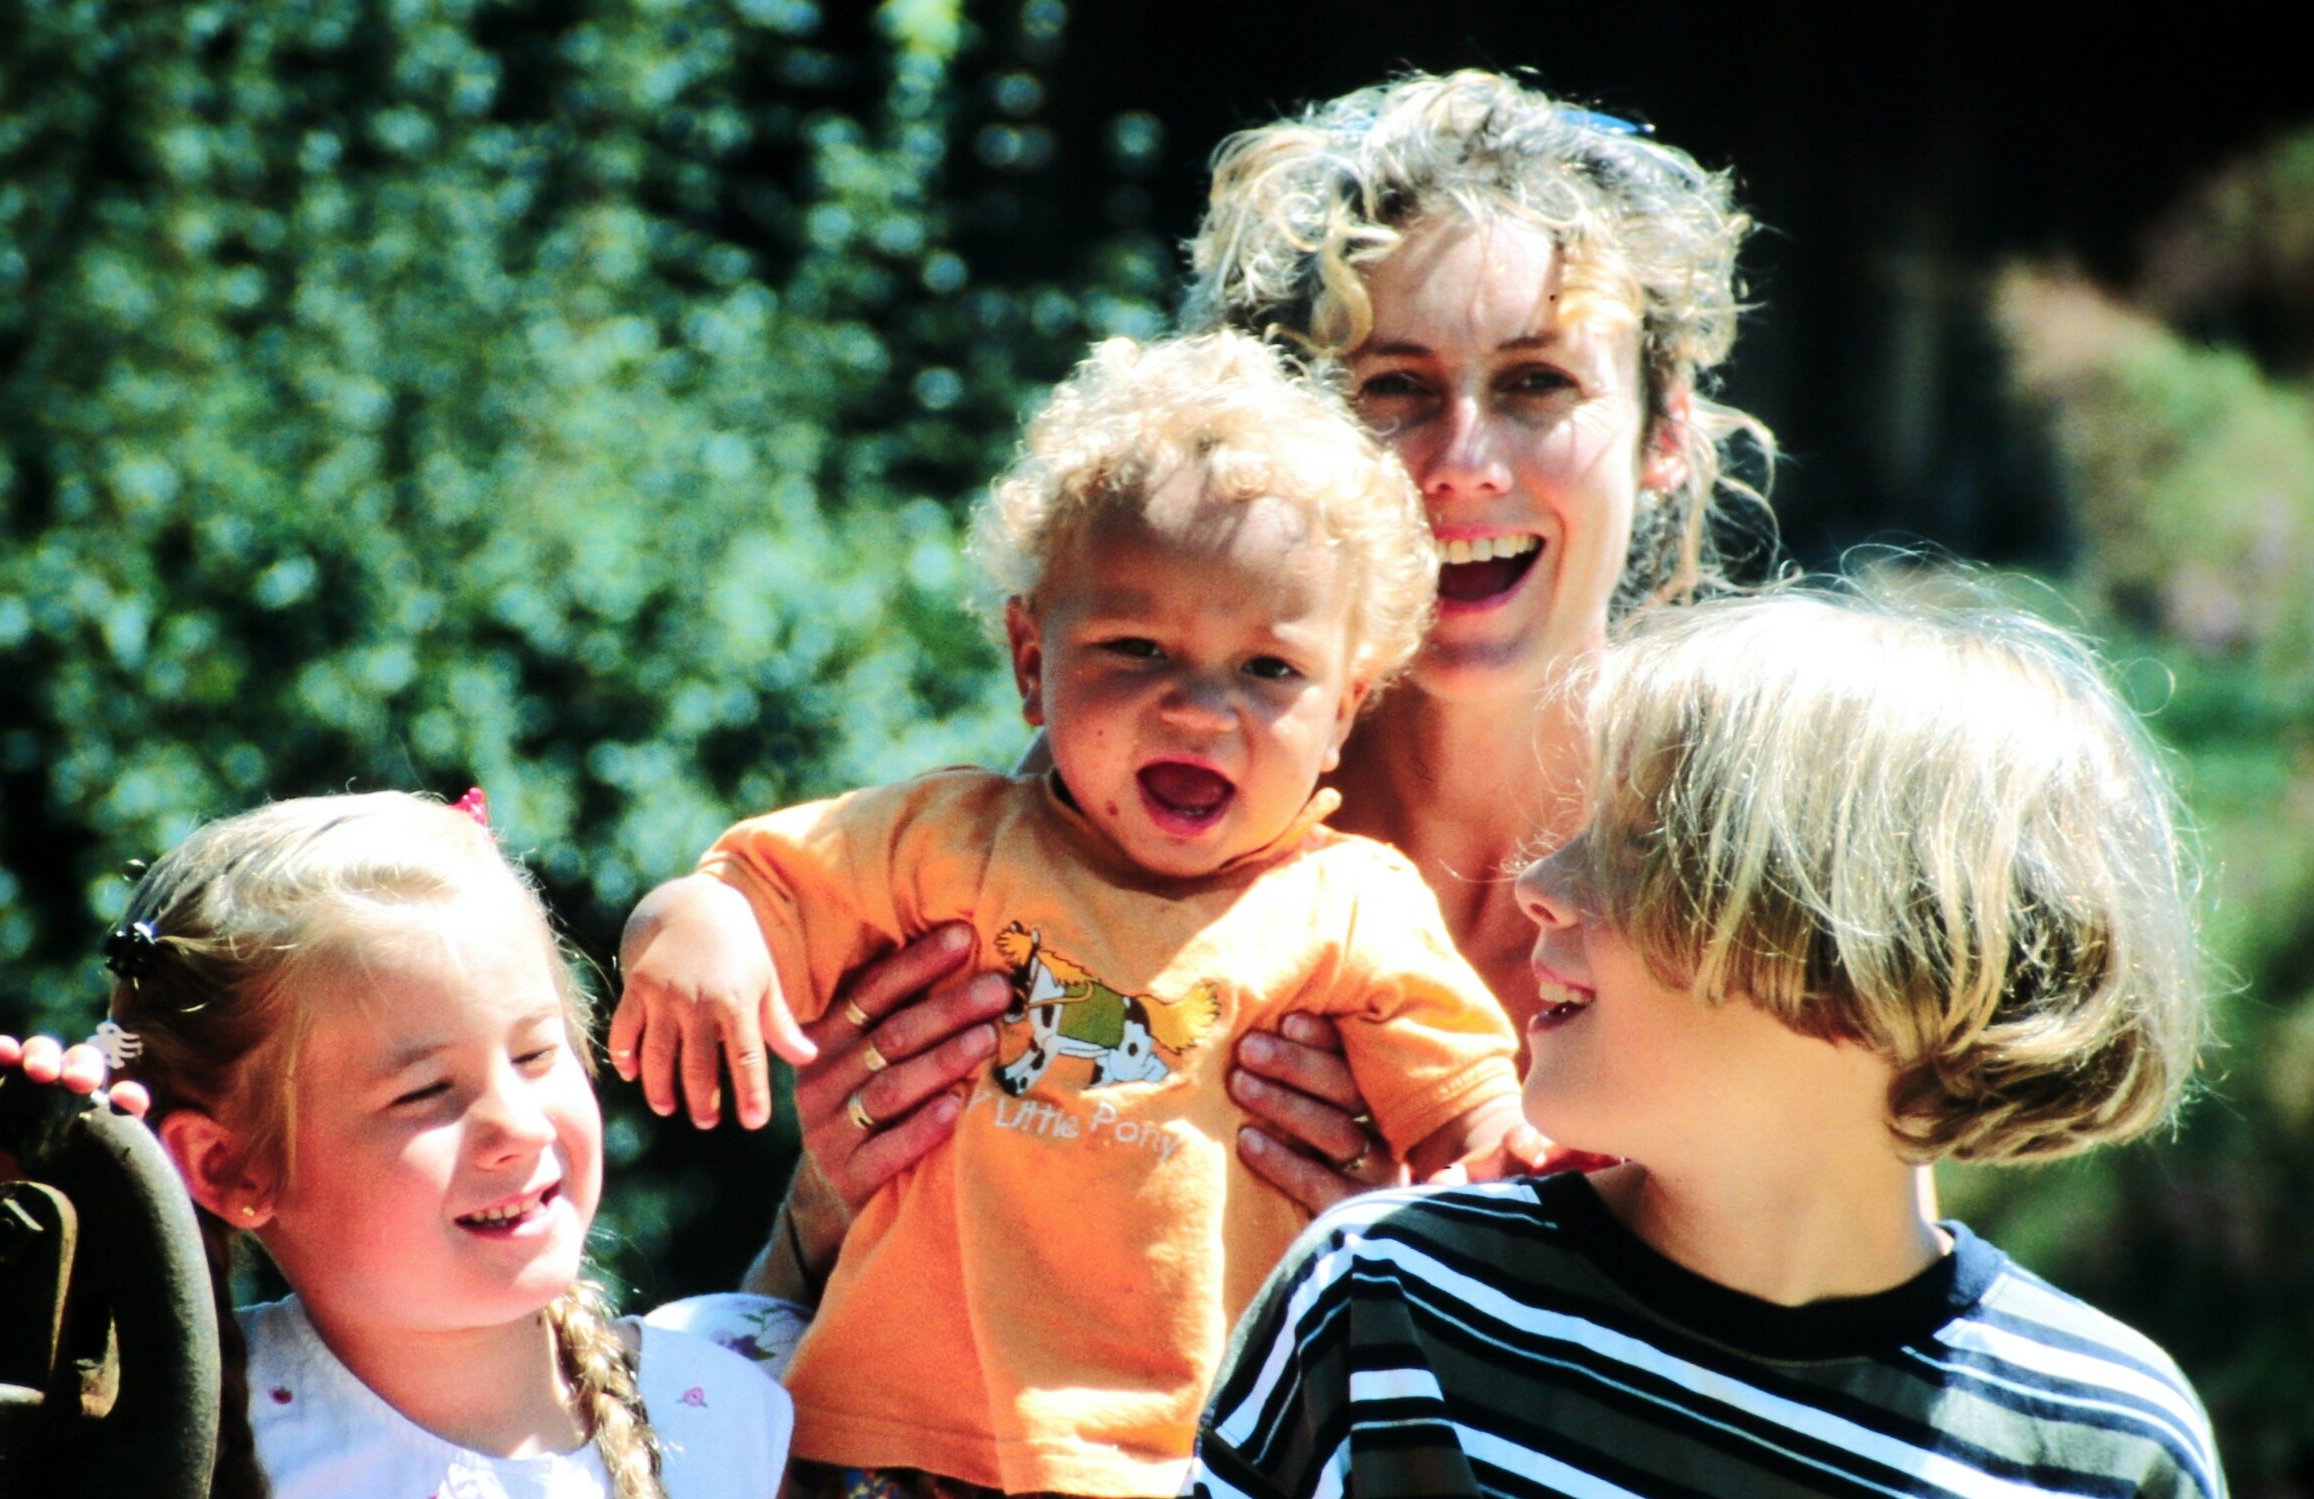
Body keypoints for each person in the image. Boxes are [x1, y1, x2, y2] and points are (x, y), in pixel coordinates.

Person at [740, 67, 1775, 1297]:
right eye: (1391, 388)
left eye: (1536, 384)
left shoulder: (1753, 873)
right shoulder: (1106, 818)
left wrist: (1426, 1284)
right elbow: (801, 1327)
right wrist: (829, 1196)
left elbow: (1845, 1365)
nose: (1458, 462)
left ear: (1666, 435)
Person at [609, 330, 1529, 1499]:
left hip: (1212, 1488)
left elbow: (1467, 1118)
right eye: (1135, 648)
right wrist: (688, 923)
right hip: (902, 1459)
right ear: (1029, 658)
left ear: (1347, 706)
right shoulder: (949, 842)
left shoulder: (1349, 906)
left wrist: (1508, 1160)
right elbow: (753, 885)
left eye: (1270, 671)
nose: (1198, 710)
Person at [1106, 581, 2240, 1499]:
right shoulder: (1381, 1312)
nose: (1542, 881)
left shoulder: (2107, 1456)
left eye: (1644, 843)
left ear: (1873, 951)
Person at [0, 791, 793, 1499]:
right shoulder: (164, 1445)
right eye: (424, 1094)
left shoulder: (730, 1417)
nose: (516, 1125)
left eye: (534, 1054)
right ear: (231, 1167)